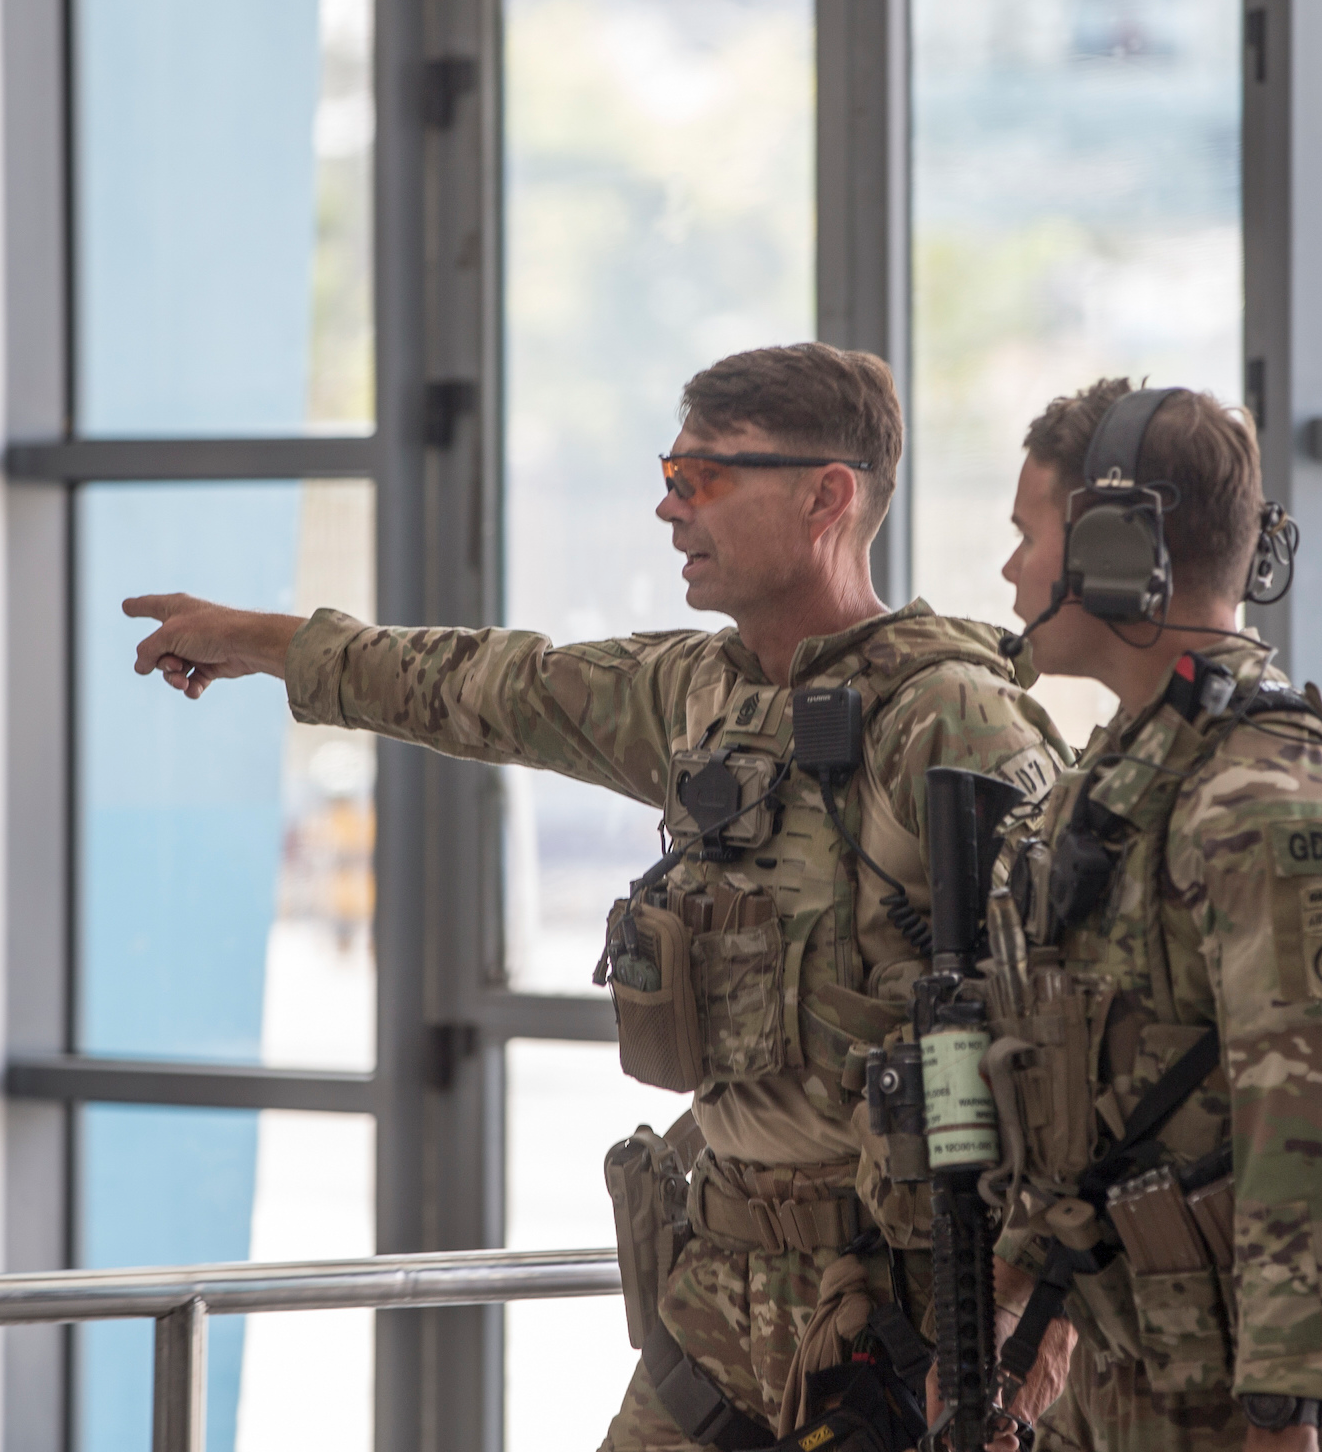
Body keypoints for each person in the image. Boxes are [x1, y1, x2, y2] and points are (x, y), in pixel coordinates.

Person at [123, 342, 1068, 1452]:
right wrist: (258, 642)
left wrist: (1023, 1325)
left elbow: (1081, 1033)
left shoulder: (949, 720)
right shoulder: (697, 694)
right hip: (719, 1302)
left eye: (704, 477)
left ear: (826, 496)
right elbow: (483, 683)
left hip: (905, 1320)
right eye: (672, 474)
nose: (671, 508)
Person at [975, 379, 1322, 1452]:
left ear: (1112, 549)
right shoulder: (1137, 775)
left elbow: (1315, 1125)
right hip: (1140, 1372)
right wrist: (1018, 1301)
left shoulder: (1266, 801)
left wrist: (1285, 1418)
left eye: (1027, 534)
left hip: (1252, 1409)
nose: (1011, 570)